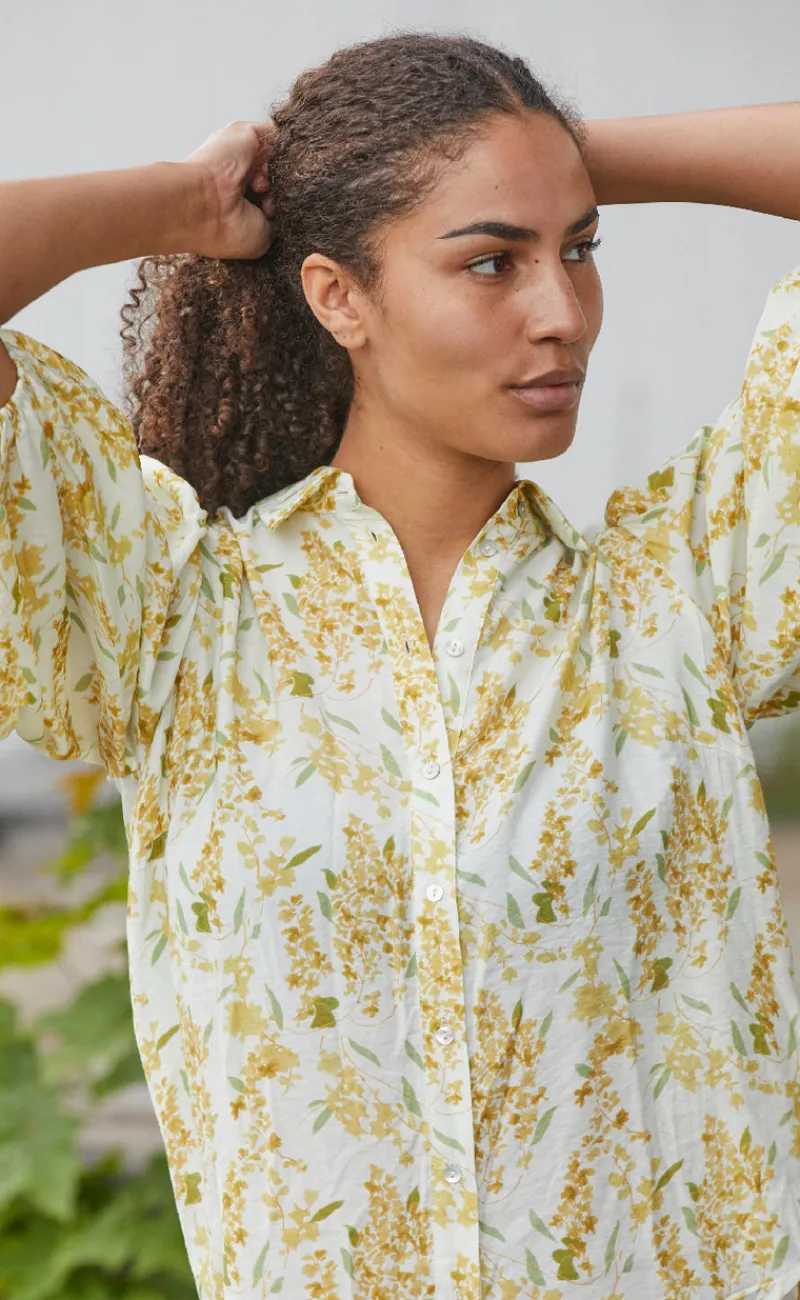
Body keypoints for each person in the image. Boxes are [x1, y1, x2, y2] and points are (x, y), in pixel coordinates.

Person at [1, 28, 799, 1300]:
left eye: (578, 250)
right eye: (490, 260)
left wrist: (557, 161)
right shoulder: (172, 618)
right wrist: (190, 202)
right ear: (337, 296)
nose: (561, 313)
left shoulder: (686, 593)